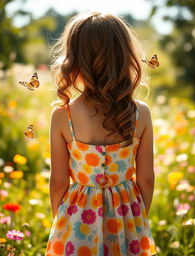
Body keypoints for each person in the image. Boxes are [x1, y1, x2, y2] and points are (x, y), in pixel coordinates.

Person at [45, 11, 158, 256]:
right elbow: (147, 179)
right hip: (128, 218)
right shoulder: (141, 114)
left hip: (77, 221)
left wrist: (62, 221)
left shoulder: (63, 117)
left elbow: (58, 183)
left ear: (73, 59)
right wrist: (138, 217)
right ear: (125, 57)